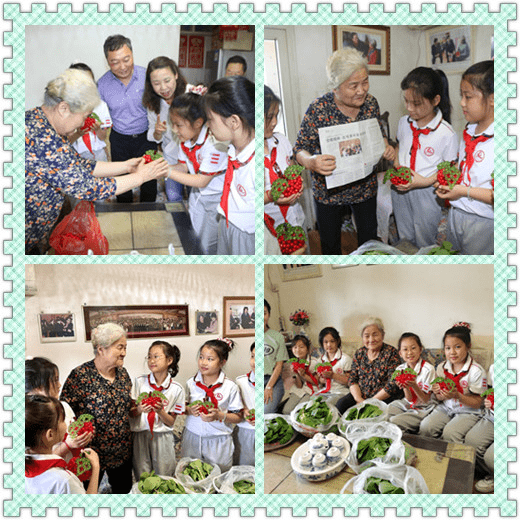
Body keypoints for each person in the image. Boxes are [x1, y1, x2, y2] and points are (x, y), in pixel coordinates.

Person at [25, 68, 169, 255]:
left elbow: (79, 164)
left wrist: (126, 166)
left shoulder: (43, 122)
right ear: (63, 108)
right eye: (84, 116)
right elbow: (87, 187)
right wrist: (141, 177)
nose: (82, 124)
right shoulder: (41, 138)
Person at [294, 48, 395, 254]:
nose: (361, 90)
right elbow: (299, 149)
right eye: (353, 85)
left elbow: (379, 132)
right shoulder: (318, 109)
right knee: (330, 244)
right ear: (335, 87)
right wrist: (311, 161)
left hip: (364, 186)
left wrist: (386, 145)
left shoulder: (370, 104)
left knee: (369, 241)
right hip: (329, 192)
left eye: (365, 82)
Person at [60, 323, 133, 494]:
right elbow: (64, 413)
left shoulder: (123, 374)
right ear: (101, 349)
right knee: (86, 496)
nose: (124, 353)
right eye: (119, 347)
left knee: (123, 493)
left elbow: (127, 406)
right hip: (90, 453)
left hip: (121, 452)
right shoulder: (79, 376)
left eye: (125, 347)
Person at [391, 67, 458, 248]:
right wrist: (396, 161)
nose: (410, 108)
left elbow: (449, 170)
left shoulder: (446, 133)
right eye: (406, 101)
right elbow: (400, 145)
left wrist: (425, 180)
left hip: (427, 192)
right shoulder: (404, 122)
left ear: (436, 100)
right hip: (400, 188)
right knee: (405, 235)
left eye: (417, 103)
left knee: (425, 236)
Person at [435, 61, 494, 254]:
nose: (461, 102)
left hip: (483, 222)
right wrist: (449, 183)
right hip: (456, 213)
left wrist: (463, 191)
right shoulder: (470, 129)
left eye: (468, 96)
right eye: (461, 95)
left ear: (493, 98)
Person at [97, 35, 159, 203]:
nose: (122, 67)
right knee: (122, 183)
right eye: (115, 62)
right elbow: (99, 116)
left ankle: (149, 216)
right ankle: (123, 215)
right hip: (119, 140)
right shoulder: (102, 85)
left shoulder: (147, 77)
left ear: (132, 54)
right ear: (107, 61)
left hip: (146, 139)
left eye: (126, 59)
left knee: (150, 180)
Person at [166, 92, 228, 254]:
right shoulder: (186, 139)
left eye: (178, 125)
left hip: (217, 198)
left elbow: (201, 180)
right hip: (198, 195)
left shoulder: (215, 144)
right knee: (192, 233)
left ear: (198, 123)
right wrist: (162, 168)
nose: (174, 130)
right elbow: (183, 167)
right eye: (173, 124)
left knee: (207, 245)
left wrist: (166, 171)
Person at [204, 76, 255, 255]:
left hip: (244, 232)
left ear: (234, 122)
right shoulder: (234, 147)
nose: (208, 125)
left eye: (210, 119)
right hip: (226, 218)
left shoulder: (255, 165)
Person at [181, 339, 243, 472]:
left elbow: (238, 417)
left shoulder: (230, 387)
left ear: (222, 362)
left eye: (210, 359)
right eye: (201, 357)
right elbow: (182, 408)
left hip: (219, 439)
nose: (203, 362)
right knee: (192, 473)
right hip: (192, 436)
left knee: (219, 475)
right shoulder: (190, 383)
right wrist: (189, 410)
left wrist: (219, 415)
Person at [419, 323, 487, 443]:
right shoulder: (441, 367)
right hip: (446, 407)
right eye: (448, 348)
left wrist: (457, 396)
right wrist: (438, 393)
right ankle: (432, 455)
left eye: (457, 347)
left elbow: (478, 403)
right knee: (426, 427)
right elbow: (439, 398)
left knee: (450, 433)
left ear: (468, 346)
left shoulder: (476, 371)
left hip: (468, 411)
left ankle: (456, 460)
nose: (452, 352)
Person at [130, 341, 184, 479]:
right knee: (142, 473)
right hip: (140, 434)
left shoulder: (177, 389)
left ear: (169, 360)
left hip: (162, 437)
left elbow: (171, 422)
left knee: (164, 474)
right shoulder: (139, 382)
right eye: (149, 357)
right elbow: (131, 412)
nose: (151, 361)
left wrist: (161, 411)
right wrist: (140, 409)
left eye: (156, 356)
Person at [25, 395, 100, 494]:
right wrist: (96, 467)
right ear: (50, 434)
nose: (66, 424)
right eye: (62, 421)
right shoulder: (65, 481)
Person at [264, 86, 306, 254]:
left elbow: (292, 167)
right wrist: (270, 196)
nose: (274, 122)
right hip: (272, 228)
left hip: (295, 217)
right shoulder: (245, 155)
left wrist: (297, 181)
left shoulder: (280, 141)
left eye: (276, 115)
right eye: (269, 117)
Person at [25, 357, 93, 462]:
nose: (59, 385)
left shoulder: (64, 406)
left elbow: (74, 431)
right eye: (54, 380)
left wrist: (83, 436)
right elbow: (38, 461)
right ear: (37, 387)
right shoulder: (29, 419)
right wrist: (68, 445)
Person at [142, 56, 188, 202]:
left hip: (194, 160)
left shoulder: (190, 95)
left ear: (176, 75)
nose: (163, 88)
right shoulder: (153, 103)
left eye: (167, 81)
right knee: (174, 198)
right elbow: (153, 136)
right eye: (156, 83)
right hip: (172, 159)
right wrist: (157, 132)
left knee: (197, 199)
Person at [336, 318, 403, 415]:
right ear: (362, 338)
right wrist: (358, 399)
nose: (371, 339)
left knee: (371, 415)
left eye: (375, 335)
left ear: (383, 335)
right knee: (341, 405)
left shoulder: (391, 353)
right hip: (361, 395)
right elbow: (352, 379)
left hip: (383, 398)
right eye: (367, 336)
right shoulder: (359, 353)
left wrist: (370, 402)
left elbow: (392, 384)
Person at [387, 333, 436, 433]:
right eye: (405, 349)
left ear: (420, 349)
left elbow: (425, 400)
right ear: (400, 353)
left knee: (394, 421)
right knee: (386, 411)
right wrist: (405, 387)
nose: (409, 352)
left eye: (413, 348)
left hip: (424, 407)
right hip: (408, 403)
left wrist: (414, 385)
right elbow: (409, 398)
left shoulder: (428, 369)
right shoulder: (400, 369)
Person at [68, 63, 112, 162]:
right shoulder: (66, 108)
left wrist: (97, 130)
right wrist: (78, 133)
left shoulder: (101, 105)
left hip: (98, 153)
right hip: (75, 155)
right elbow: (65, 142)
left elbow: (103, 137)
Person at [465, 363, 494, 493]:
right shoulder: (494, 368)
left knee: (491, 456)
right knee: (472, 441)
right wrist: (489, 400)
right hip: (492, 416)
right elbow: (489, 391)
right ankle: (489, 472)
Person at [280, 335, 319, 414]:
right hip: (300, 389)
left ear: (308, 349)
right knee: (286, 411)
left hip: (313, 389)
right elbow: (299, 386)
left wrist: (304, 375)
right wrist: (296, 374)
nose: (298, 350)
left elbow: (317, 382)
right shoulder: (294, 363)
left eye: (301, 347)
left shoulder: (314, 362)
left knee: (299, 412)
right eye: (295, 347)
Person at [314, 327, 352, 406]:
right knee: (312, 403)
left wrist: (332, 375)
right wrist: (322, 378)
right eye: (325, 342)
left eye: (332, 341)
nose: (329, 345)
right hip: (325, 391)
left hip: (340, 392)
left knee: (325, 406)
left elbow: (350, 382)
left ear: (337, 341)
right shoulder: (320, 361)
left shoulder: (345, 359)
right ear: (322, 343)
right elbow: (320, 381)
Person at [264, 299, 288, 413]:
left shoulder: (277, 336)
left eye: (264, 313)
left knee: (266, 413)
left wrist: (269, 387)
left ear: (268, 315)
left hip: (272, 380)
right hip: (252, 381)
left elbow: (279, 365)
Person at [233, 342, 255, 466]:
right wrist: (245, 410)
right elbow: (236, 404)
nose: (255, 362)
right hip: (244, 430)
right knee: (243, 465)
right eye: (252, 356)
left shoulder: (273, 384)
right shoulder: (240, 381)